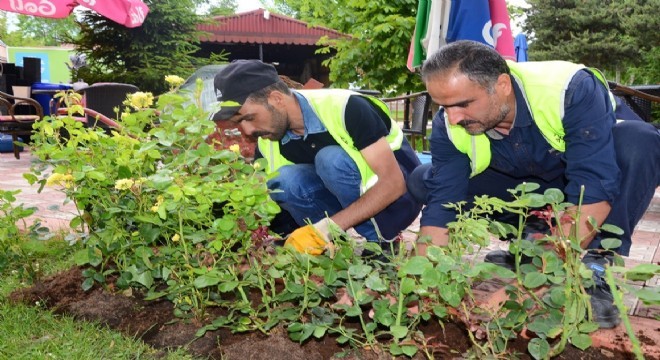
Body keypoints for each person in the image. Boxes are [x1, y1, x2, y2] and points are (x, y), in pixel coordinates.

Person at [407, 40, 660, 328]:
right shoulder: (448, 123)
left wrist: (523, 290)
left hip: (584, 176)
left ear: (502, 85)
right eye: (444, 107)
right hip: (525, 184)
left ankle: (597, 261)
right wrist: (417, 287)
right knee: (424, 180)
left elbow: (594, 189)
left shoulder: (570, 89)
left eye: (464, 104)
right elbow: (443, 205)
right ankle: (532, 237)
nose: (454, 118)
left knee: (640, 142)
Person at [212, 59, 422, 255]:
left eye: (249, 117)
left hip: (399, 198)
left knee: (330, 160)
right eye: (239, 123)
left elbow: (394, 184)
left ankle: (380, 245)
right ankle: (333, 248)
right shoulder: (268, 139)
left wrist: (325, 227)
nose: (247, 131)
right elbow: (280, 197)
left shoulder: (346, 107)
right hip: (351, 206)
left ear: (276, 99)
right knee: (283, 179)